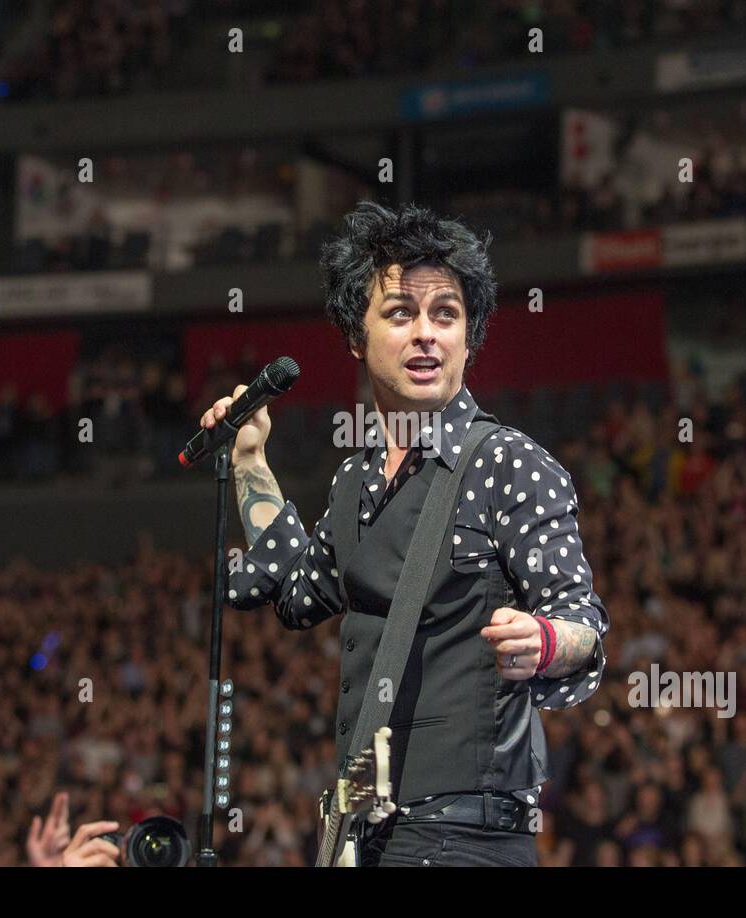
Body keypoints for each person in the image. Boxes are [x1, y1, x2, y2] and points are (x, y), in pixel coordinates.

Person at [201, 200, 608, 866]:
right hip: (368, 831)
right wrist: (249, 463)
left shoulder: (507, 463)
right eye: (401, 313)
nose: (426, 333)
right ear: (355, 338)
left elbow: (582, 626)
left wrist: (544, 641)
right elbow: (296, 592)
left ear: (469, 338)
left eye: (445, 314)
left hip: (468, 838)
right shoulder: (354, 482)